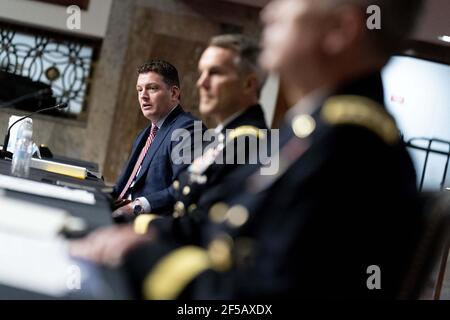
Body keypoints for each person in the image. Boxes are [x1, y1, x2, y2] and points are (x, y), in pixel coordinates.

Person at [122, 0, 425, 299]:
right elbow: (222, 226)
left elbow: (264, 296)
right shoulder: (312, 130)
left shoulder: (352, 148)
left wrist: (145, 262)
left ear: (340, 29)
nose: (269, 11)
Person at [70, 34, 269, 265]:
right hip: (162, 231)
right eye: (139, 89)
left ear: (248, 84)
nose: (200, 83)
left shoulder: (242, 140)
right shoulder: (214, 135)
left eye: (214, 73)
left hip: (179, 249)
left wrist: (139, 222)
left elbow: (200, 219)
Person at [111, 60, 201, 219]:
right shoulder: (145, 133)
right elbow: (123, 187)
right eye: (139, 90)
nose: (143, 96)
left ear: (173, 93)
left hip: (149, 223)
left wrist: (138, 206)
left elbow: (185, 188)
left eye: (152, 88)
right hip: (118, 211)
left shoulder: (187, 129)